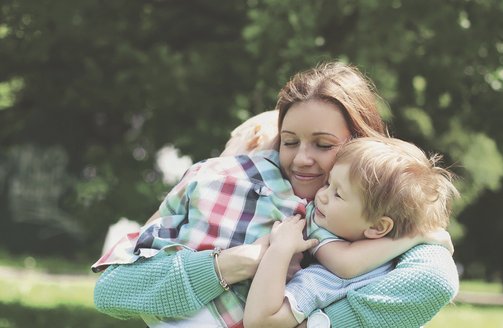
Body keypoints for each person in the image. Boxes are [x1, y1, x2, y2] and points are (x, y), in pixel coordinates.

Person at [93, 62, 460, 327]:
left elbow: (433, 281)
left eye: (323, 144)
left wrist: (419, 235)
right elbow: (111, 291)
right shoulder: (228, 182)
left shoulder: (401, 227)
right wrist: (234, 263)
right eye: (289, 142)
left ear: (359, 146)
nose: (302, 159)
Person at [243, 137, 459, 328]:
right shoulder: (328, 225)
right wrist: (417, 236)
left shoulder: (332, 278)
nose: (323, 195)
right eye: (328, 182)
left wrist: (280, 249)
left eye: (338, 194)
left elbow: (261, 321)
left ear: (377, 227)